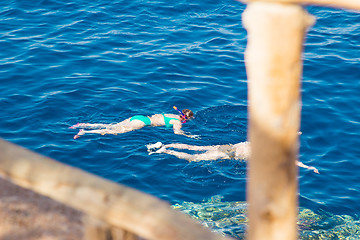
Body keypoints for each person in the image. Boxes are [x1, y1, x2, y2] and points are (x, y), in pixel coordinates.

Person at [146, 141, 319, 174]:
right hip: (229, 154)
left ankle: (168, 144)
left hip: (229, 146)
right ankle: (164, 151)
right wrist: (309, 167)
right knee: (193, 158)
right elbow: (294, 162)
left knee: (195, 147)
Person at [70, 108, 197, 139]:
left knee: (112, 125)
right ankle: (85, 132)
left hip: (139, 117)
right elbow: (177, 132)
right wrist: (189, 136)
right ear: (186, 118)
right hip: (142, 123)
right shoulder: (177, 122)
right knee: (113, 131)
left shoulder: (172, 115)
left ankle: (84, 124)